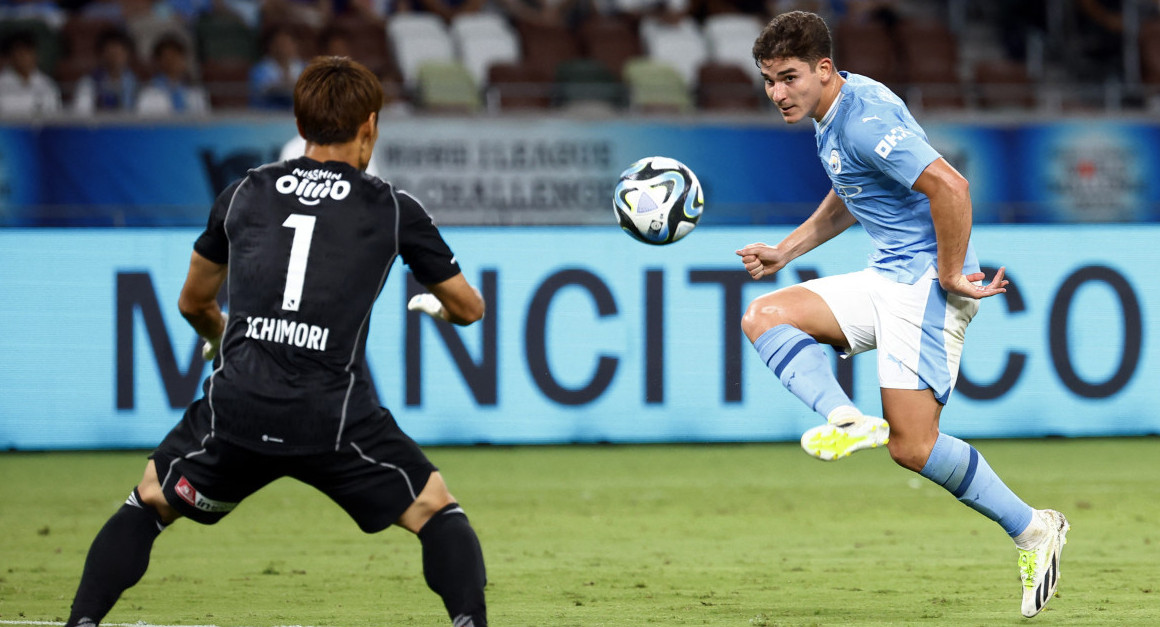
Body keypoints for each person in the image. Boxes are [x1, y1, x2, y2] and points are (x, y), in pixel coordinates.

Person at [64, 56, 488, 627]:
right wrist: (440, 308)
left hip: (238, 406)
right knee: (436, 510)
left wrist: (220, 338)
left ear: (300, 120)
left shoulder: (243, 193)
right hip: (331, 417)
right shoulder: (392, 207)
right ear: (370, 126)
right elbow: (470, 308)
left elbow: (193, 300)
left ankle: (82, 623)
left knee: (148, 502)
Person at [736, 11, 1068, 619]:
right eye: (767, 79)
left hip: (924, 285)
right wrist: (786, 250)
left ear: (823, 69)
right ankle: (845, 418)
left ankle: (1034, 529)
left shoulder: (860, 119)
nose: (777, 93)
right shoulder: (834, 112)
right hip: (887, 276)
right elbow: (851, 190)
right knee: (765, 314)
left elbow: (951, 187)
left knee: (913, 447)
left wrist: (948, 273)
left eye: (788, 78)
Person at [136, 33, 210, 115]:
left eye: (177, 56)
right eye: (168, 57)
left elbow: (204, 120)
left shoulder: (195, 92)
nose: (173, 62)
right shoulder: (149, 93)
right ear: (158, 61)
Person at [72, 27, 140, 115]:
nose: (115, 58)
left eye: (120, 53)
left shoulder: (137, 84)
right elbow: (80, 114)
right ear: (101, 55)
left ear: (128, 55)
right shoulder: (88, 83)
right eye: (111, 53)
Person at [0, 29, 61, 116]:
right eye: (20, 52)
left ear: (35, 54)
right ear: (11, 56)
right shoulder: (2, 83)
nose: (24, 57)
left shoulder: (48, 85)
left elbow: (54, 118)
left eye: (28, 52)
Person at [249, 24, 305, 109]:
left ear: (295, 45)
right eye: (279, 44)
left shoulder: (304, 67)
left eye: (287, 43)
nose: (283, 48)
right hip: (266, 115)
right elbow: (264, 91)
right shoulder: (260, 69)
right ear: (270, 46)